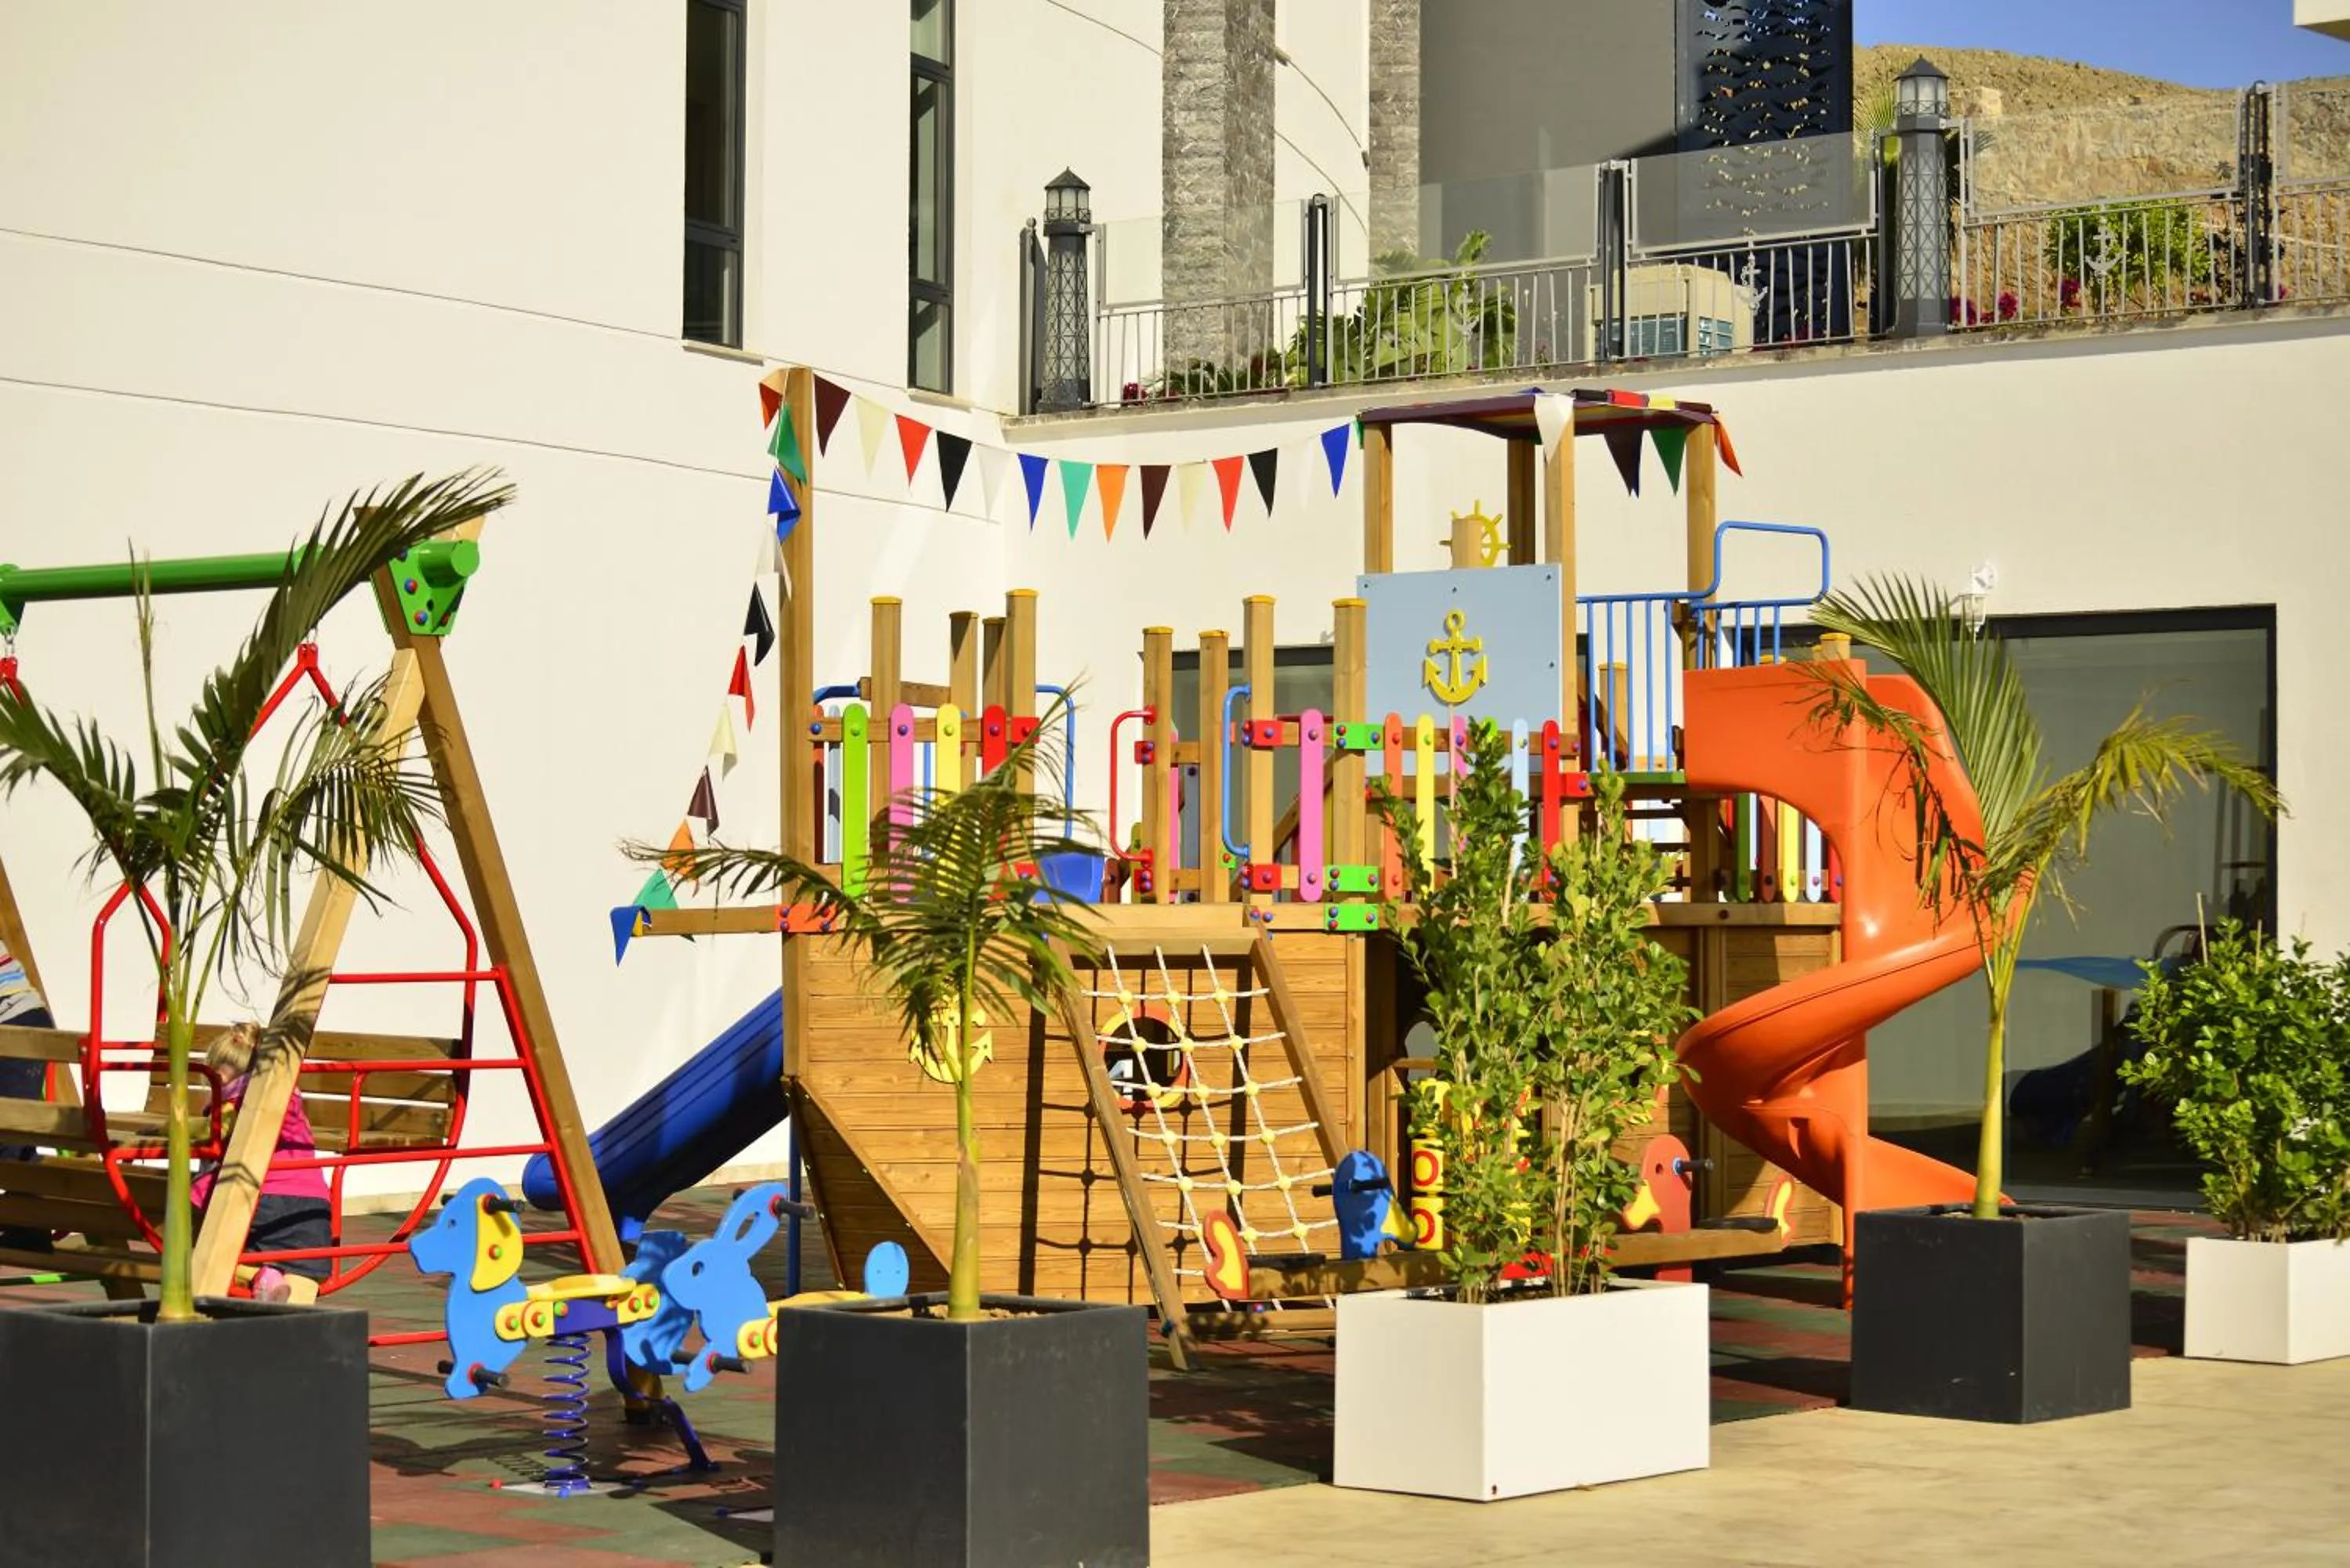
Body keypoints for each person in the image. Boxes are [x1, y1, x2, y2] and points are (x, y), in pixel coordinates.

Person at [193, 1021, 333, 1305]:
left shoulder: (234, 1104)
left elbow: (213, 1143)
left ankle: (259, 1275)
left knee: (210, 1254)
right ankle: (269, 1277)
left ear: (219, 1074)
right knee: (304, 1269)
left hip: (262, 1202)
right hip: (313, 1206)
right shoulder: (288, 1099)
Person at [0, 943, 56, 1253]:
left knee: (11, 1132)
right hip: (13, 1021)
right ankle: (27, 1224)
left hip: (19, 1022)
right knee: (12, 1136)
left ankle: (30, 1226)